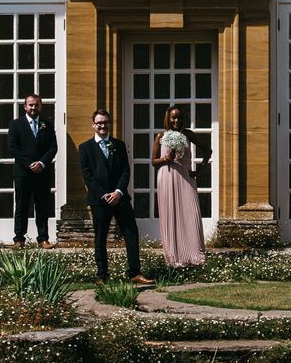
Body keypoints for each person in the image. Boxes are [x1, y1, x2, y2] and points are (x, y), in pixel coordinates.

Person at [79, 109, 152, 285]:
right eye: (99, 123)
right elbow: (87, 176)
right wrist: (104, 195)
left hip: (120, 198)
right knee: (100, 237)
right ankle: (101, 276)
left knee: (131, 233)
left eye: (106, 122)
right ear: (93, 125)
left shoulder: (118, 145)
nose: (103, 125)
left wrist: (118, 192)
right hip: (99, 200)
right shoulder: (85, 148)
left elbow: (126, 171)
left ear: (109, 124)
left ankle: (134, 273)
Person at [151, 104, 206, 267]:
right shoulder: (161, 135)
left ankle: (195, 257)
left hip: (186, 178)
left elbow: (208, 150)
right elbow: (153, 161)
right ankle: (174, 258)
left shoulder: (188, 134)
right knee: (171, 216)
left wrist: (199, 171)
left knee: (192, 213)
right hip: (167, 177)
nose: (177, 120)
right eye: (174, 117)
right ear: (168, 118)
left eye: (180, 117)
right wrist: (164, 159)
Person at [7, 93, 58, 248]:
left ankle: (43, 238)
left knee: (42, 206)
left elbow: (53, 147)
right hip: (23, 172)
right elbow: (13, 148)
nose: (33, 107)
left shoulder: (47, 124)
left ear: (40, 106)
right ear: (25, 107)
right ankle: (19, 239)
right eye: (31, 105)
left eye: (36, 104)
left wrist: (42, 163)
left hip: (42, 173)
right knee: (21, 205)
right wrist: (30, 164)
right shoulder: (16, 124)